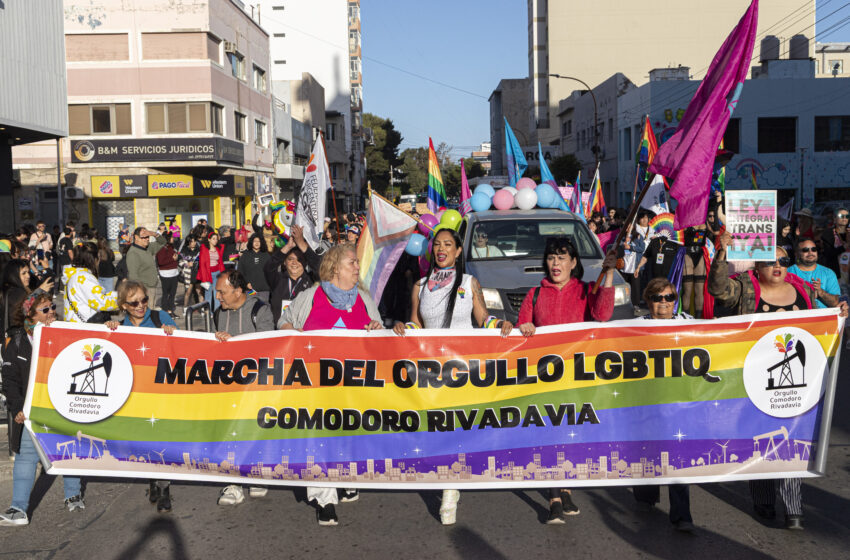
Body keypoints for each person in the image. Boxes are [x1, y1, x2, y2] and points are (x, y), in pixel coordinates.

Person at [709, 232, 847, 530]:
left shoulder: (802, 289)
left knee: (792, 439)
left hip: (797, 381)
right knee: (761, 439)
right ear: (756, 267)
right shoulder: (746, 288)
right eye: (770, 261)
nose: (778, 265)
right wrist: (721, 252)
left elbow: (822, 323)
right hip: (753, 379)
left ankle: (794, 508)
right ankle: (764, 499)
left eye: (784, 260)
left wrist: (839, 314)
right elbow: (718, 289)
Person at [392, 228, 513, 525]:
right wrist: (403, 327)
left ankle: (450, 486)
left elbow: (483, 317)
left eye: (448, 244)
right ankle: (449, 479)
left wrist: (502, 325)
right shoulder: (420, 285)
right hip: (432, 370)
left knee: (456, 426)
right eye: (437, 245)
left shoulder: (470, 283)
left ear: (459, 252)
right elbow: (417, 322)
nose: (441, 249)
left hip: (463, 369)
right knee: (438, 427)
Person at [278, 244, 383, 526]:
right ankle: (325, 499)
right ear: (335, 267)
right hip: (316, 387)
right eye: (352, 263)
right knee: (319, 438)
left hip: (353, 388)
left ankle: (346, 478)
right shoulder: (310, 296)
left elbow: (380, 332)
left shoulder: (363, 297)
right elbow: (283, 322)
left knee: (349, 435)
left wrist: (376, 329)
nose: (357, 267)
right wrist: (293, 333)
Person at [517, 237, 617, 524]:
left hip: (576, 378)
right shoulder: (535, 294)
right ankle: (554, 497)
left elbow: (604, 314)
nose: (556, 263)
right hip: (544, 379)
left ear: (574, 263)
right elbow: (524, 327)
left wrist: (609, 272)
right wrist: (525, 326)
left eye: (562, 257)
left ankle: (566, 486)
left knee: (570, 434)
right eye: (551, 257)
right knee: (549, 433)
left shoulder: (587, 290)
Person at [0, 293, 84, 526]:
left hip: (62, 406)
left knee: (68, 450)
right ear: (31, 314)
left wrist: (112, 325)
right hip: (32, 409)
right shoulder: (16, 340)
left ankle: (73, 495)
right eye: (45, 310)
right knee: (26, 456)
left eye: (53, 307)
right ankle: (18, 509)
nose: (52, 313)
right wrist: (17, 407)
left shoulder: (65, 332)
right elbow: (9, 379)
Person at [105, 281, 176, 512]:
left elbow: (184, 347)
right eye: (134, 302)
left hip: (161, 391)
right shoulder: (120, 327)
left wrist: (172, 333)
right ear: (124, 305)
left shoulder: (159, 318)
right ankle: (152, 480)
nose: (140, 306)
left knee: (161, 439)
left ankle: (165, 489)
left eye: (144, 299)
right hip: (134, 394)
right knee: (143, 440)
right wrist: (108, 330)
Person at [633, 278, 695, 532]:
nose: (664, 303)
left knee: (676, 457)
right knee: (648, 450)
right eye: (658, 298)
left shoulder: (688, 322)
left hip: (678, 402)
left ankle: (682, 516)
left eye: (669, 297)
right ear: (648, 301)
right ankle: (646, 497)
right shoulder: (635, 326)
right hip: (645, 402)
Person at [212, 270, 275, 507]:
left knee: (252, 432)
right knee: (229, 432)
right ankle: (233, 483)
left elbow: (269, 346)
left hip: (255, 386)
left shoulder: (261, 311)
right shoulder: (219, 312)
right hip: (229, 386)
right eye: (217, 291)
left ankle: (256, 473)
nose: (217, 296)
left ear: (238, 291)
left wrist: (236, 343)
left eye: (222, 292)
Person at [266, 225, 320, 326]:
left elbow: (321, 267)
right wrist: (287, 247)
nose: (295, 263)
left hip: (303, 332)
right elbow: (269, 267)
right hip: (280, 332)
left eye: (299, 260)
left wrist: (301, 243)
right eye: (290, 259)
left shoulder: (311, 280)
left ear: (305, 263)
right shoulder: (277, 279)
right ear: (284, 263)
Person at [63, 242, 118, 323]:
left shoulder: (74, 275)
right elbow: (102, 302)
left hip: (74, 324)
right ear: (94, 259)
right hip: (83, 328)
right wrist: (123, 297)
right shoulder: (83, 278)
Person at [1, 259, 53, 335]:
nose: (28, 276)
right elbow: (23, 310)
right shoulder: (17, 292)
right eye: (24, 273)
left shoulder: (7, 289)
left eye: (28, 272)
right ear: (13, 275)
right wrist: (39, 291)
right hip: (17, 336)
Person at [787, 238, 840, 309]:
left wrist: (821, 292)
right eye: (805, 250)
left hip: (823, 318)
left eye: (814, 249)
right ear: (796, 254)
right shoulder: (787, 273)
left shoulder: (828, 273)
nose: (810, 252)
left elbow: (835, 303)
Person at [125, 227, 166, 309]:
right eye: (144, 237)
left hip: (152, 288)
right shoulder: (133, 253)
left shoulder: (148, 248)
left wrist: (153, 234)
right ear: (136, 238)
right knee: (147, 315)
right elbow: (133, 276)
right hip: (144, 290)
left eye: (148, 237)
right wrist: (140, 294)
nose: (147, 239)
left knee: (151, 312)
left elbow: (163, 242)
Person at [621, 212, 650, 312]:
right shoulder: (621, 236)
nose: (628, 228)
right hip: (623, 265)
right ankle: (624, 303)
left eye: (630, 226)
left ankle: (636, 304)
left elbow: (641, 248)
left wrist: (631, 247)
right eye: (626, 226)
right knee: (625, 285)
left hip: (634, 265)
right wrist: (622, 245)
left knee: (635, 286)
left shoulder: (637, 236)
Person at [237, 234, 271, 303]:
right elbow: (240, 272)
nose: (257, 243)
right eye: (255, 241)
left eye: (259, 241)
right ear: (251, 242)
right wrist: (245, 283)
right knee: (250, 308)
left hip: (264, 290)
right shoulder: (245, 255)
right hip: (250, 290)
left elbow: (271, 272)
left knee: (263, 309)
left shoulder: (266, 255)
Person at [197, 231, 225, 312]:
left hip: (217, 273)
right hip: (208, 274)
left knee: (217, 294)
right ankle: (208, 313)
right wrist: (204, 279)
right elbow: (202, 265)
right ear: (209, 239)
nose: (215, 240)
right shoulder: (204, 249)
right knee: (208, 294)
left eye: (216, 239)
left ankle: (216, 313)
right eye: (213, 239)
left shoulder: (218, 248)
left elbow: (220, 262)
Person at [155, 233, 180, 317]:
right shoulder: (161, 248)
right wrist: (172, 259)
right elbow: (161, 262)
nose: (173, 238)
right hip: (165, 274)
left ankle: (171, 310)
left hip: (174, 273)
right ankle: (166, 311)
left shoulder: (172, 247)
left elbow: (175, 257)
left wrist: (177, 257)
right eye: (171, 237)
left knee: (173, 294)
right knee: (166, 294)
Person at [819, 207, 849, 275]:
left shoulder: (848, 233)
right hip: (836, 272)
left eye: (847, 216)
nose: (844, 218)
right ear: (835, 218)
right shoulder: (828, 233)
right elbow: (828, 253)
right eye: (841, 216)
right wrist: (843, 248)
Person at [178, 235, 203, 312]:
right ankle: (185, 308)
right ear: (188, 242)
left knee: (199, 292)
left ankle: (201, 308)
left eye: (195, 241)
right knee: (188, 292)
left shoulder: (199, 250)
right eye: (192, 241)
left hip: (197, 273)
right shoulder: (184, 251)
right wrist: (187, 264)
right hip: (188, 274)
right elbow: (179, 261)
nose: (194, 243)